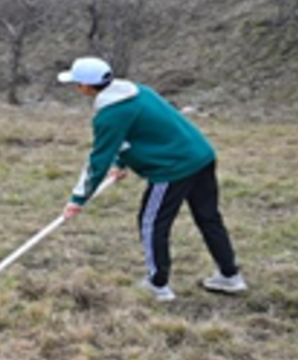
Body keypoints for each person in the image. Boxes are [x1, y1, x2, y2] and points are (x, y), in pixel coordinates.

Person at [59, 56, 247, 302]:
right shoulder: (137, 91)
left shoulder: (111, 113)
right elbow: (142, 132)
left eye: (76, 83)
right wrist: (120, 163)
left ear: (86, 86)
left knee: (152, 223)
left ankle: (157, 284)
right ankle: (230, 275)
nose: (76, 88)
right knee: (208, 217)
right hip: (200, 155)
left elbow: (98, 160)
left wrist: (78, 199)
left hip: (172, 169)